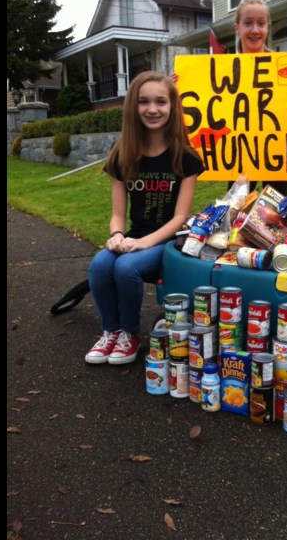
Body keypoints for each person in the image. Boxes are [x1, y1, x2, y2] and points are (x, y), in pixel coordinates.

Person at [85, 71, 205, 364]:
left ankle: (130, 333)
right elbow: (117, 214)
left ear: (172, 106)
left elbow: (180, 217)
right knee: (100, 264)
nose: (153, 109)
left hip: (166, 243)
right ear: (132, 107)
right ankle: (110, 331)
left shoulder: (185, 156)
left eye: (161, 101)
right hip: (135, 238)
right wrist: (116, 235)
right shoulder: (123, 154)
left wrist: (142, 243)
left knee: (126, 267)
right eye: (144, 102)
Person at [174, 0, 287, 197]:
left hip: (276, 150)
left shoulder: (284, 67)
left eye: (261, 23)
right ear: (237, 27)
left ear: (268, 27)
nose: (255, 30)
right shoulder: (222, 71)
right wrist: (175, 90)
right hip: (239, 153)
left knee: (276, 213)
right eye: (248, 23)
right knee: (236, 213)